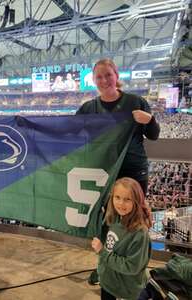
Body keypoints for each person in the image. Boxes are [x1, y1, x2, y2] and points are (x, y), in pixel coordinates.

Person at [76, 58, 160, 195]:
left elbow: (153, 135)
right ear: (94, 81)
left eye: (108, 75)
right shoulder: (88, 108)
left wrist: (150, 120)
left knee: (133, 213)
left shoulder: (136, 102)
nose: (104, 80)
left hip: (133, 171)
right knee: (106, 215)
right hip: (102, 172)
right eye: (99, 77)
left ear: (116, 75)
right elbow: (68, 132)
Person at [91, 177, 152, 300]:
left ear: (136, 201)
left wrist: (102, 252)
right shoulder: (114, 218)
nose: (120, 204)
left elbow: (131, 266)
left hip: (123, 291)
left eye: (127, 199)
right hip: (108, 283)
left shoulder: (140, 233)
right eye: (117, 197)